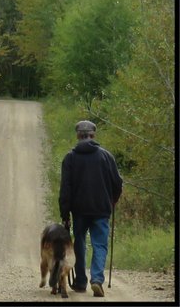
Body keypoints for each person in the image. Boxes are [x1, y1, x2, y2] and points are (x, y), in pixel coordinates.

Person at [59, 120, 123, 297]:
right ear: (93, 135)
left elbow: (65, 189)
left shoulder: (70, 158)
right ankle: (96, 279)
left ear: (78, 135)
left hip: (79, 211)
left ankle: (80, 282)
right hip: (102, 209)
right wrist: (113, 201)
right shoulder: (106, 156)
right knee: (100, 245)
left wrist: (65, 214)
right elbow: (117, 183)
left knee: (79, 244)